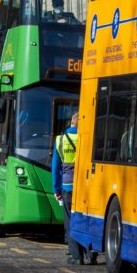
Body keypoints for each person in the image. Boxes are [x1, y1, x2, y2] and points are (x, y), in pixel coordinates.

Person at [52, 113, 93, 265]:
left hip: (67, 185)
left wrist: (56, 189)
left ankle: (76, 257)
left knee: (70, 220)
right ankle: (90, 254)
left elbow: (56, 168)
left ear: (71, 123)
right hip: (85, 185)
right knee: (85, 219)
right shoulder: (87, 138)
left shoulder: (60, 140)